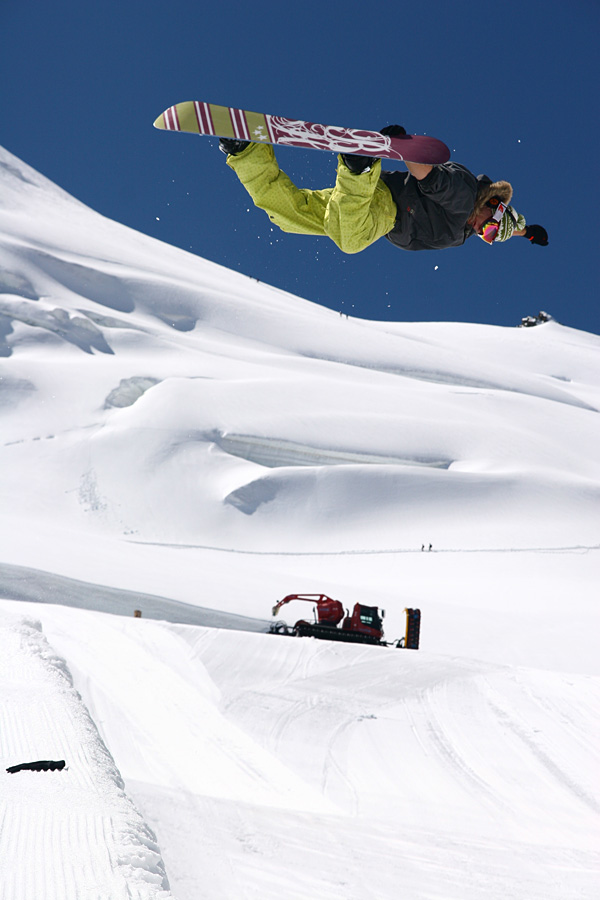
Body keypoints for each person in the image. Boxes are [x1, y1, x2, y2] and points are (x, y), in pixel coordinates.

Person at [219, 126, 548, 254]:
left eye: (489, 237)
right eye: (489, 226)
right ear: (492, 202)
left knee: (290, 215)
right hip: (385, 209)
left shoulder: (481, 217)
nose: (482, 232)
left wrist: (527, 232)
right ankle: (356, 167)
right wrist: (400, 149)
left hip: (368, 198)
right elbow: (430, 179)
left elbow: (511, 226)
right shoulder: (465, 200)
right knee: (350, 239)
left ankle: (245, 152)